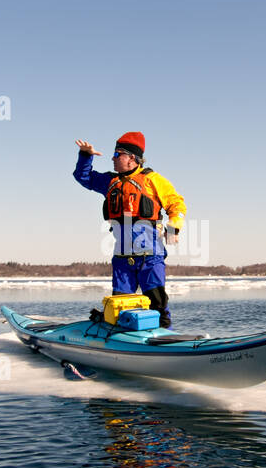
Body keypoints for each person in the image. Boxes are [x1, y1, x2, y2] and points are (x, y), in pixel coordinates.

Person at [73, 132, 185, 327]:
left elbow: (177, 205)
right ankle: (123, 344)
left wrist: (173, 229)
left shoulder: (154, 181)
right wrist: (85, 156)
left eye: (117, 155)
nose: (113, 158)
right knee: (120, 308)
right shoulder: (110, 182)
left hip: (151, 257)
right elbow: (83, 177)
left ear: (132, 158)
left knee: (157, 304)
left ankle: (166, 340)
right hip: (122, 258)